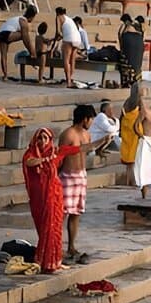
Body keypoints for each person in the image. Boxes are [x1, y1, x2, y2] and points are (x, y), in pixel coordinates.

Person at [23, 127, 107, 272]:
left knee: (54, 226)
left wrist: (101, 141)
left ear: (50, 140)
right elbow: (29, 162)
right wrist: (45, 159)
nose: (42, 141)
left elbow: (78, 149)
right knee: (44, 228)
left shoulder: (56, 152)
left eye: (45, 138)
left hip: (54, 194)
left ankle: (53, 261)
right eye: (40, 138)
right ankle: (44, 260)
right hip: (39, 196)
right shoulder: (30, 153)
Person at [59, 105, 99, 264]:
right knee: (61, 214)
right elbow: (59, 156)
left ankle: (72, 246)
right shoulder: (68, 134)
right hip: (67, 177)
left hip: (81, 176)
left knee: (76, 214)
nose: (91, 123)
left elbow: (87, 151)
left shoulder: (87, 135)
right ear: (85, 119)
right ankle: (57, 246)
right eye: (91, 120)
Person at [0, 6, 37, 81]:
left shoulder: (18, 18)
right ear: (32, 16)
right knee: (25, 35)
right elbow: (26, 40)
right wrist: (32, 52)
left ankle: (5, 75)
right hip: (7, 33)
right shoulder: (24, 22)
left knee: (4, 55)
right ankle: (33, 55)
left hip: (0, 33)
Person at [54, 7, 81, 88]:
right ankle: (70, 78)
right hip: (77, 39)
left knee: (66, 60)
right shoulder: (69, 19)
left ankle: (68, 82)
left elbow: (58, 32)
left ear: (57, 13)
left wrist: (55, 38)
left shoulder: (58, 17)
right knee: (72, 60)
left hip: (69, 39)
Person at [117, 13, 145, 88]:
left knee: (125, 64)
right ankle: (136, 80)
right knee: (137, 65)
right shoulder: (137, 26)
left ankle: (126, 82)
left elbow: (120, 35)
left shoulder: (125, 26)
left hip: (129, 47)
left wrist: (122, 49)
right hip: (139, 47)